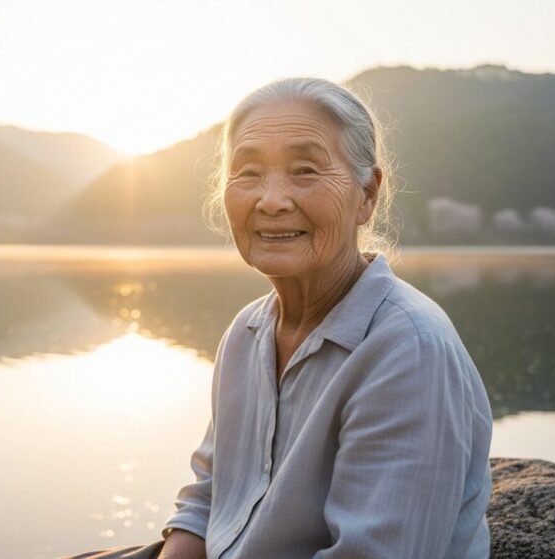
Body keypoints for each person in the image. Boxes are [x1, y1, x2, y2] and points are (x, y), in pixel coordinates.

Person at [62, 78, 493, 559]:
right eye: (248, 173)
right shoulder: (248, 332)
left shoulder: (407, 350)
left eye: (305, 170)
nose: (270, 200)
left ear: (366, 195)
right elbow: (207, 500)